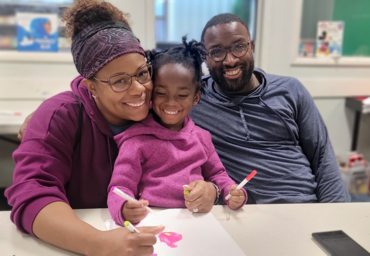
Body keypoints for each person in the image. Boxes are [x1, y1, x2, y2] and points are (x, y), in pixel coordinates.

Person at [5, 1, 216, 255]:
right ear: (91, 87)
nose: (139, 89)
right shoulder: (60, 117)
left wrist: (212, 189)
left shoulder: (158, 108)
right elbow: (31, 198)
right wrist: (99, 243)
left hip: (161, 235)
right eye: (120, 81)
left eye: (142, 73)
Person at [189, 13, 351, 203]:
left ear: (252, 47)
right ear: (205, 59)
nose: (230, 60)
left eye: (239, 47)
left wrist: (334, 215)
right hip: (240, 214)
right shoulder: (193, 99)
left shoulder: (291, 90)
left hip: (305, 206)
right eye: (216, 52)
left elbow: (322, 158)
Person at [107, 37, 247, 226]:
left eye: (182, 95)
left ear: (195, 98)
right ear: (151, 93)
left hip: (198, 221)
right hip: (152, 222)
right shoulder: (136, 140)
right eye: (161, 93)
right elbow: (119, 187)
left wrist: (232, 192)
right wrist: (123, 208)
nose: (171, 103)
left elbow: (218, 175)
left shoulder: (201, 137)